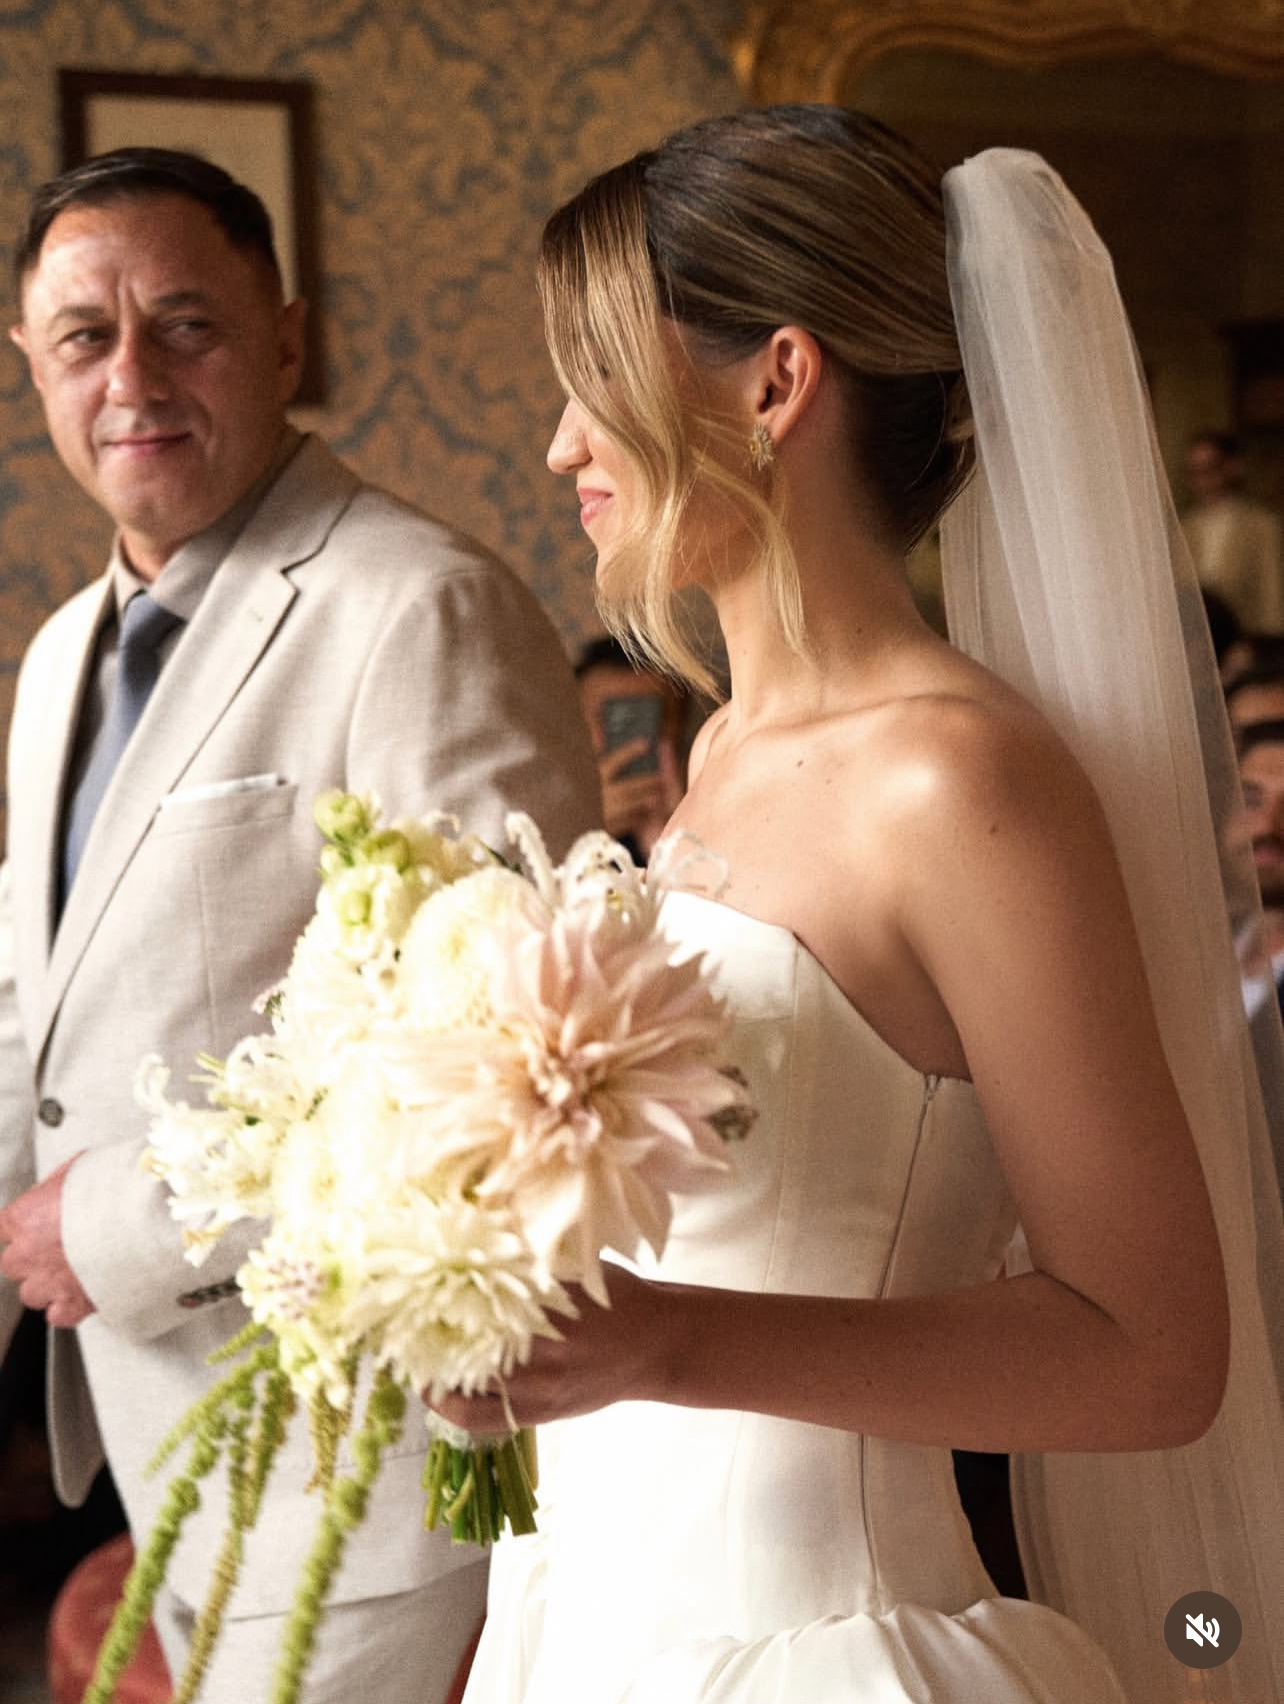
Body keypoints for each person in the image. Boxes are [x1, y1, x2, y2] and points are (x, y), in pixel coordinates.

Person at [437, 108, 1284, 1704]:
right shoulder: (723, 747)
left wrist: (660, 1344)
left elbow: (1155, 1355)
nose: (562, 442)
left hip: (820, 1649)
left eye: (597, 372)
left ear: (776, 379)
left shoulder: (957, 781)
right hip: (591, 1629)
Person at [0, 147, 600, 1704]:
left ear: (285, 336)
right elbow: (35, 1012)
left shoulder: (419, 606)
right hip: (153, 1429)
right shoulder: (61, 656)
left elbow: (491, 1061)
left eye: (184, 325)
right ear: (32, 366)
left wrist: (111, 1225)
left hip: (361, 1457)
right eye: (83, 337)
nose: (131, 375)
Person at [574, 633, 694, 862]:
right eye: (609, 718)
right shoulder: (536, 814)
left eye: (649, 718)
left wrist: (677, 844)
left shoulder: (724, 810)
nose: (634, 743)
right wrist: (582, 836)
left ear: (682, 726)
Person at [1182, 430, 1284, 633]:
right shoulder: (1184, 528)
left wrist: (1266, 648)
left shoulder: (1262, 525)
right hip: (1194, 642)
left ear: (1232, 467)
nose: (1202, 479)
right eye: (1194, 471)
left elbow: (1272, 597)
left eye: (1209, 468)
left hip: (1245, 640)